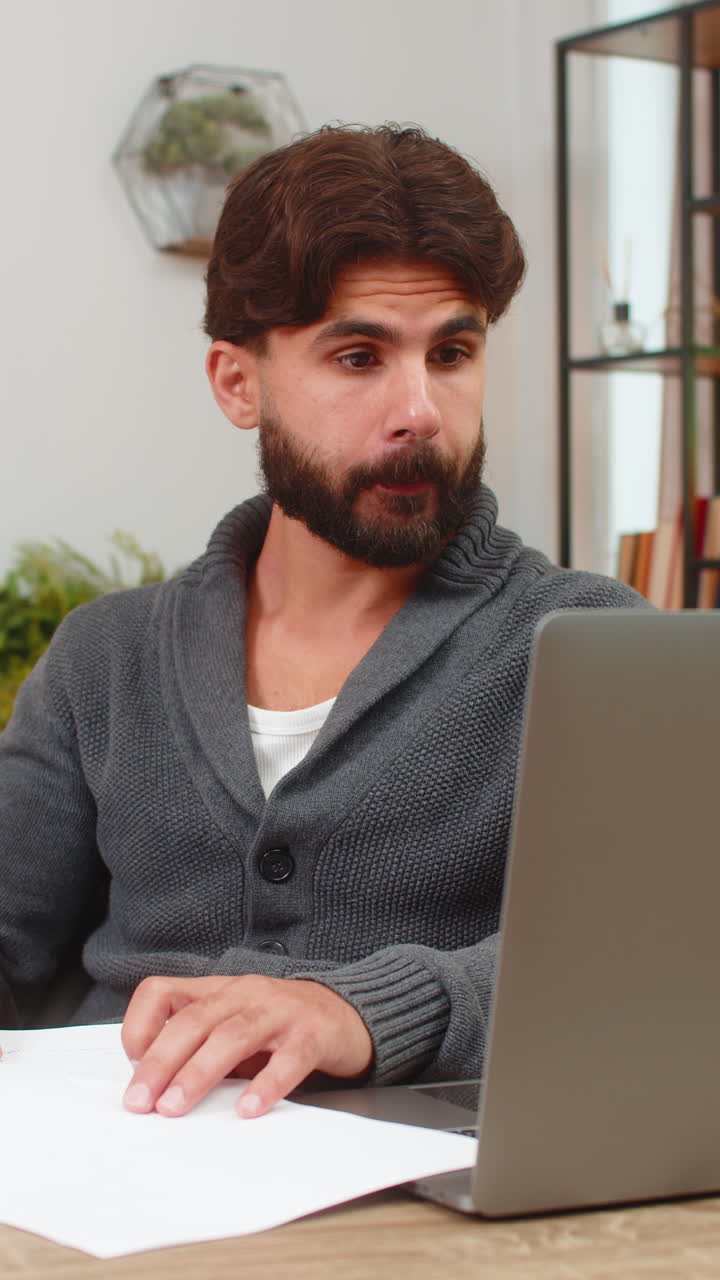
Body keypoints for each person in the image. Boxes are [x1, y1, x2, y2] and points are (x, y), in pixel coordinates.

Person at [0, 123, 644, 1120]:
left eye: (453, 352)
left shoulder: (590, 643)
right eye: (358, 356)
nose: (420, 410)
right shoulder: (105, 657)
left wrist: (367, 1010)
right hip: (110, 1161)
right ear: (238, 383)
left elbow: (641, 957)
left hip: (419, 1182)